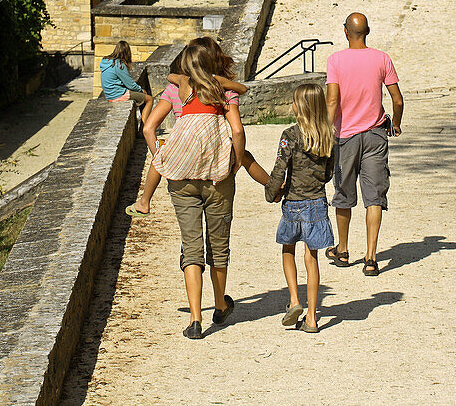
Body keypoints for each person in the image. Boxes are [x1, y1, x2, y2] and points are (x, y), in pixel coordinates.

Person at [150, 42, 245, 340]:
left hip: (182, 179)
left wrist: (162, 157)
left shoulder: (179, 87)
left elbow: (149, 125)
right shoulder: (222, 90)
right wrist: (237, 163)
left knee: (191, 247)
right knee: (219, 244)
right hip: (217, 175)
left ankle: (194, 318)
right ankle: (219, 306)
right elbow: (238, 130)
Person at [127, 35, 269, 217]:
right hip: (213, 151)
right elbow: (239, 121)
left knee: (162, 155)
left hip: (183, 150)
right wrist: (238, 159)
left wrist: (161, 156)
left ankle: (145, 201)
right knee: (244, 154)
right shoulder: (220, 87)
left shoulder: (175, 87)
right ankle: (272, 185)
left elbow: (148, 129)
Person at [325, 12, 403, 276]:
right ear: (367, 31)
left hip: (345, 136)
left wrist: (326, 129)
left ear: (345, 32)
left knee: (344, 193)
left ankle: (343, 250)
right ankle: (371, 258)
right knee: (375, 196)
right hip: (375, 134)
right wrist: (397, 124)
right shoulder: (382, 58)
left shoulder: (335, 60)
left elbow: (333, 101)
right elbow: (398, 99)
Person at [264, 83, 335, 333]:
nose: (291, 106)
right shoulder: (328, 135)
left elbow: (279, 168)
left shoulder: (290, 135)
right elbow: (328, 174)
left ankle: (294, 300)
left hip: (293, 201)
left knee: (288, 249)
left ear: (301, 107)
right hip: (317, 202)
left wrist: (272, 192)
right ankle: (313, 318)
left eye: (294, 102)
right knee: (312, 257)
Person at [99, 40, 153, 123]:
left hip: (109, 95)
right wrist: (141, 90)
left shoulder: (106, 61)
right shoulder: (119, 65)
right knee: (149, 99)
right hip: (118, 94)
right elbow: (130, 84)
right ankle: (143, 128)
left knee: (141, 98)